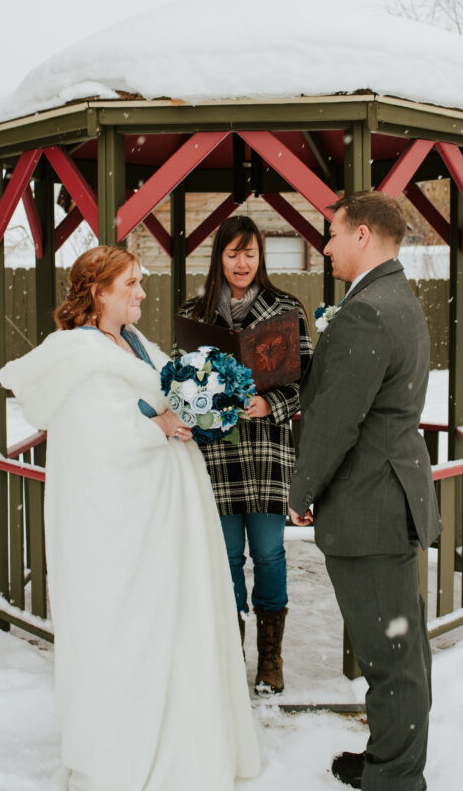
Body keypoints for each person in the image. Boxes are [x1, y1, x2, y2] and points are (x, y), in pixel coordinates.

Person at [0, 245, 260, 791]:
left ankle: (187, 743)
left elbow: (162, 393)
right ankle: (128, 751)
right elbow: (98, 435)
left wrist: (200, 406)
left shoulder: (135, 341)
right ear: (98, 293)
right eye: (131, 285)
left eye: (141, 282)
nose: (142, 292)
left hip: (167, 516)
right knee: (133, 630)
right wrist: (158, 423)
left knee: (177, 625)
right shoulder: (78, 354)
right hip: (122, 526)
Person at [289, 192, 441, 791]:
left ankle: (397, 780)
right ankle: (388, 758)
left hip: (371, 503)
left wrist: (302, 490)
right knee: (397, 647)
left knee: (391, 657)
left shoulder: (368, 311)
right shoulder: (395, 297)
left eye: (332, 233)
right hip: (390, 493)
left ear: (362, 235)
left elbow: (336, 420)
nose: (325, 246)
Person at [174, 215, 313, 695]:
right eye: (232, 253)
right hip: (217, 458)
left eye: (250, 253)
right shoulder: (195, 312)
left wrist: (269, 403)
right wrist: (206, 401)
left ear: (261, 256)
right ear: (219, 257)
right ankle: (231, 655)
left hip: (269, 454)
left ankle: (269, 660)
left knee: (270, 554)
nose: (241, 262)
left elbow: (307, 383)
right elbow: (180, 387)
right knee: (227, 556)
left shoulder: (287, 309)